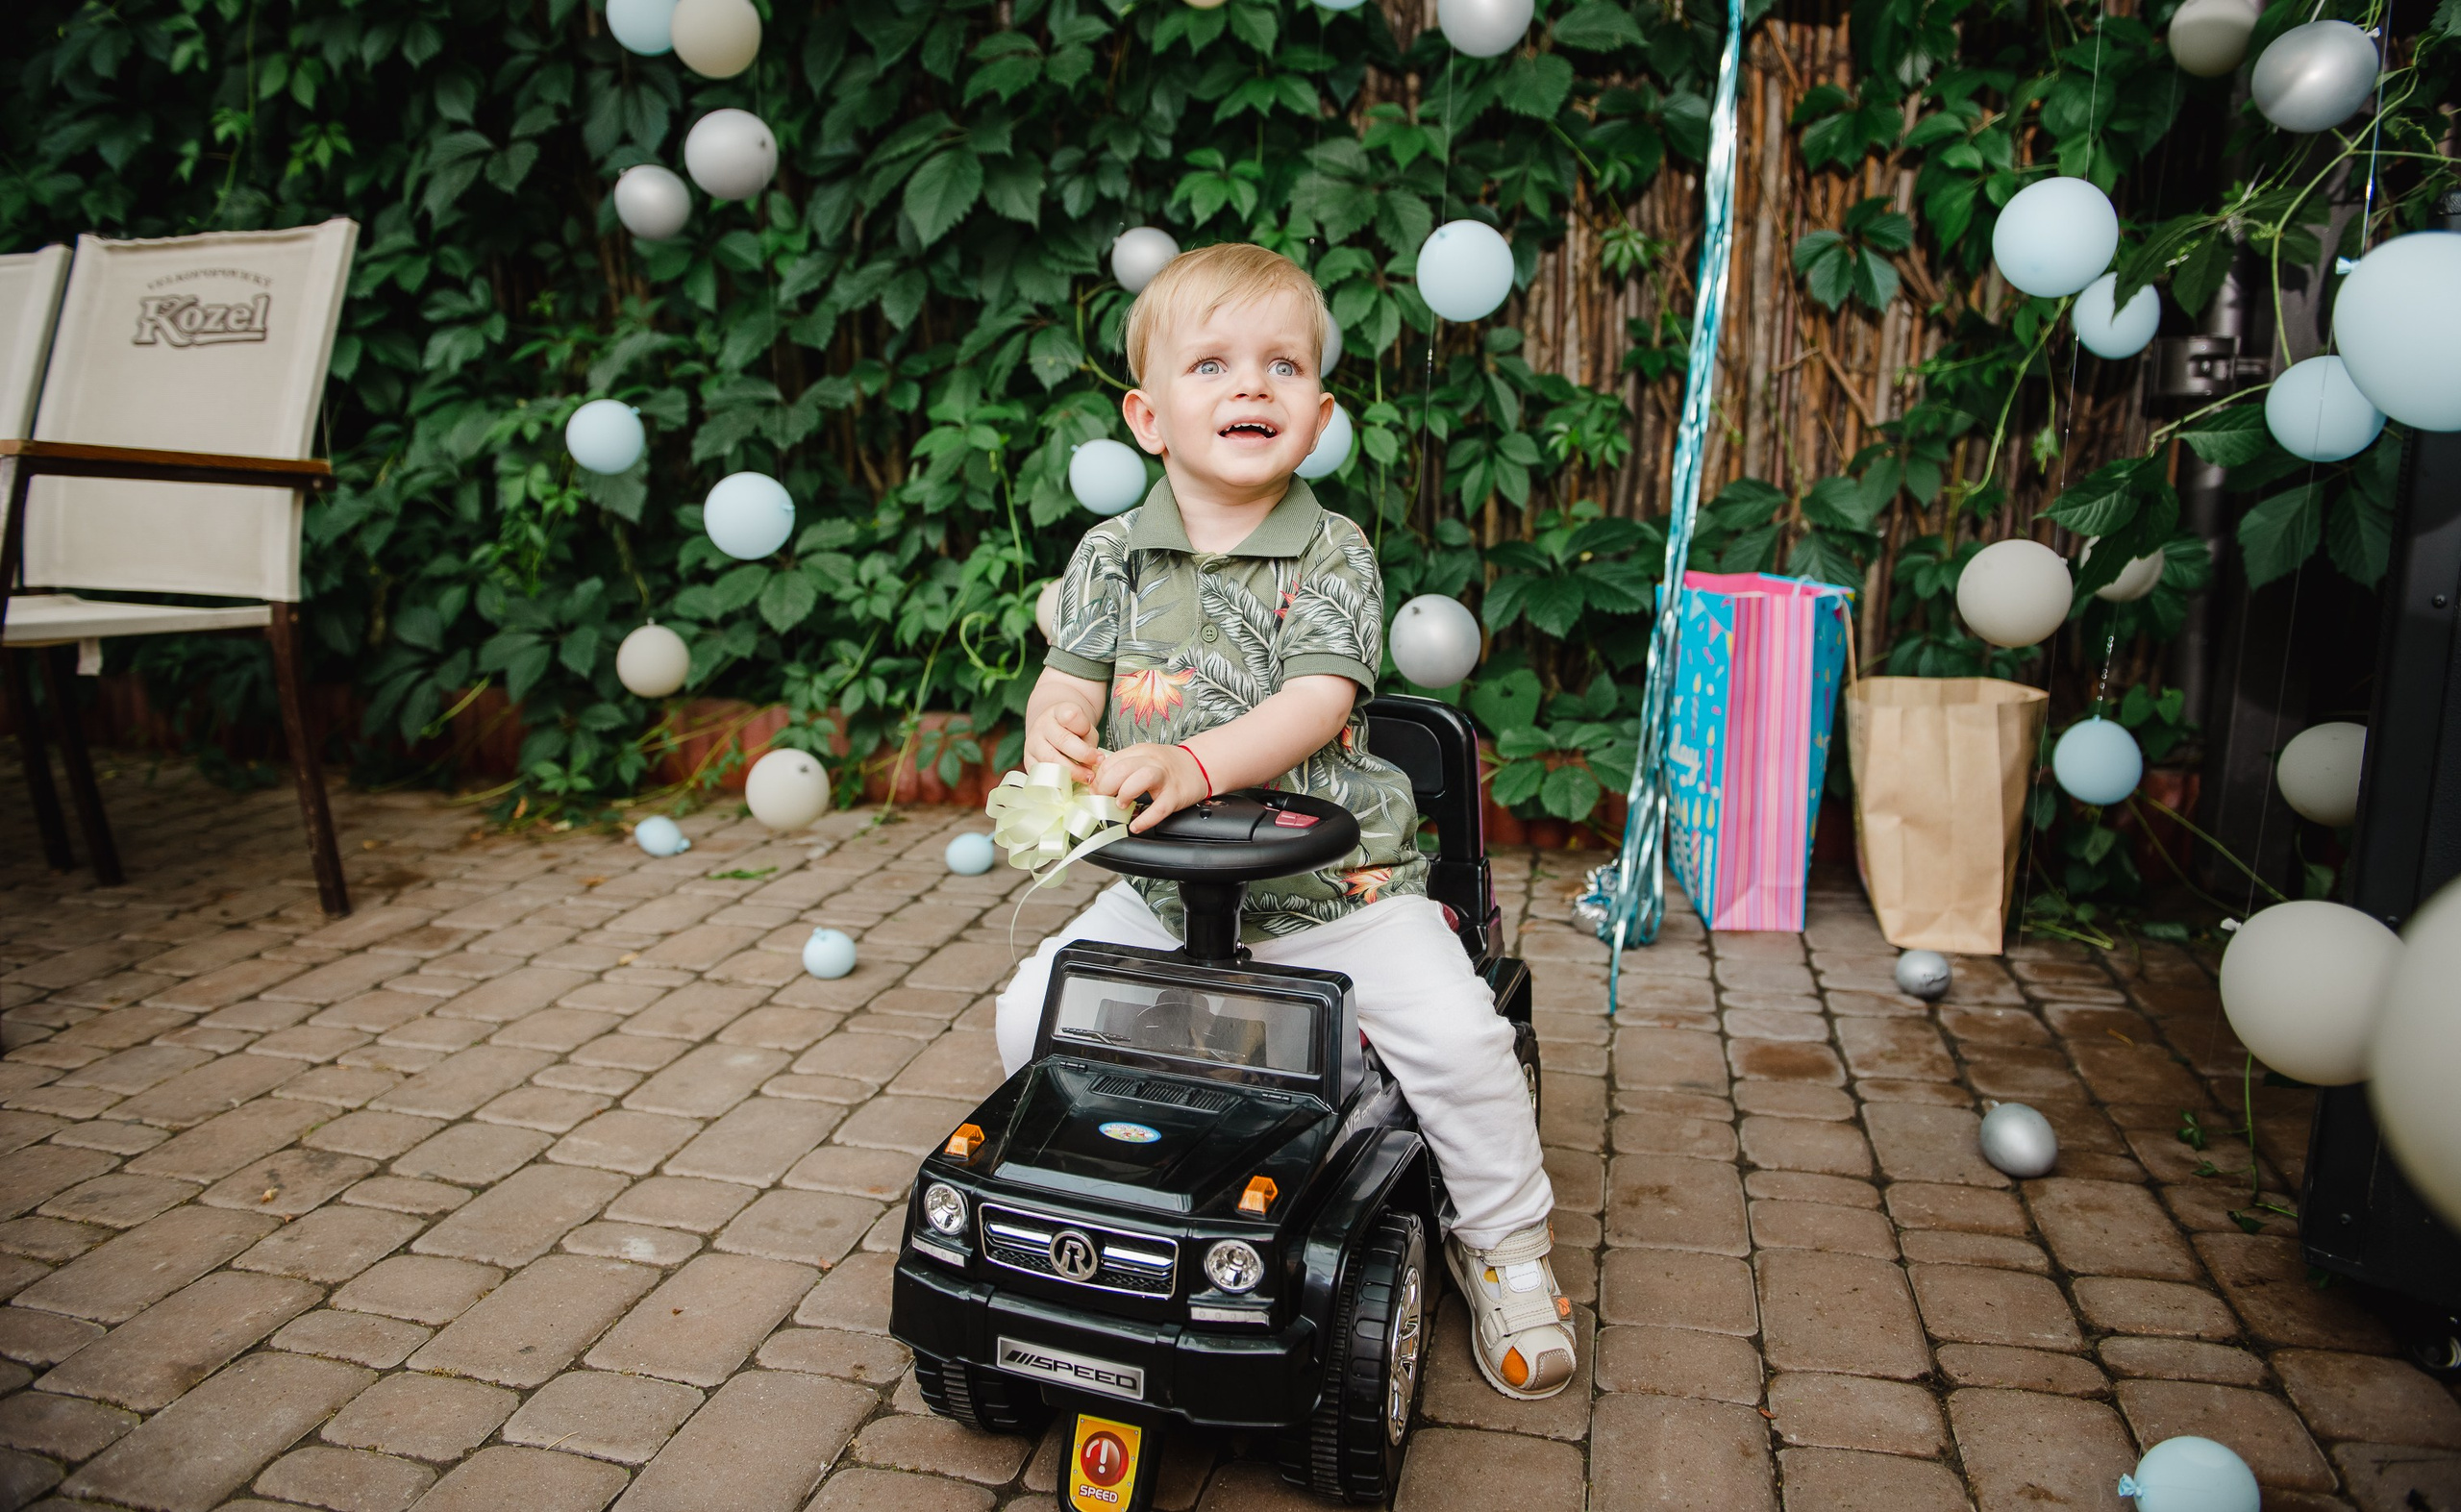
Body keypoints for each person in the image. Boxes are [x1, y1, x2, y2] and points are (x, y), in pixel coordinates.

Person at [997, 241, 1575, 1400]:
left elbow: (1316, 701)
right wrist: (1055, 728)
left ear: (1317, 416)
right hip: (1167, 894)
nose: (1249, 386)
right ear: (1148, 417)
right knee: (1028, 1020)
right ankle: (1128, 1213)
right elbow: (1068, 676)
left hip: (1339, 896)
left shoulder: (1331, 549)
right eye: (1211, 364)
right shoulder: (1109, 554)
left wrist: (1191, 761)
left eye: (1282, 366)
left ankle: (1504, 1241)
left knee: (1459, 1041)